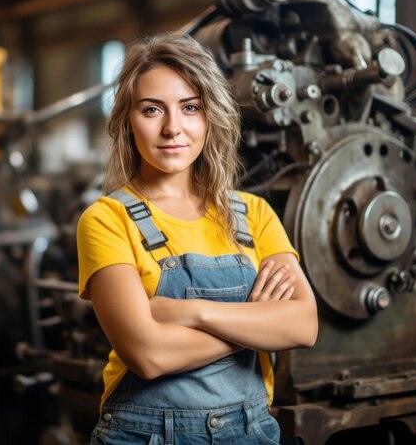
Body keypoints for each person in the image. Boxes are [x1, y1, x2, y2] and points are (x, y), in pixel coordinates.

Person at [76, 32, 318, 445]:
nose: (173, 128)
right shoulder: (106, 220)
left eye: (190, 108)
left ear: (210, 117)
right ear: (127, 121)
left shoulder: (253, 215)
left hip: (251, 433)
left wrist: (193, 313)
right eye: (152, 110)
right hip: (144, 436)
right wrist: (253, 323)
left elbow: (303, 325)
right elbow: (150, 356)